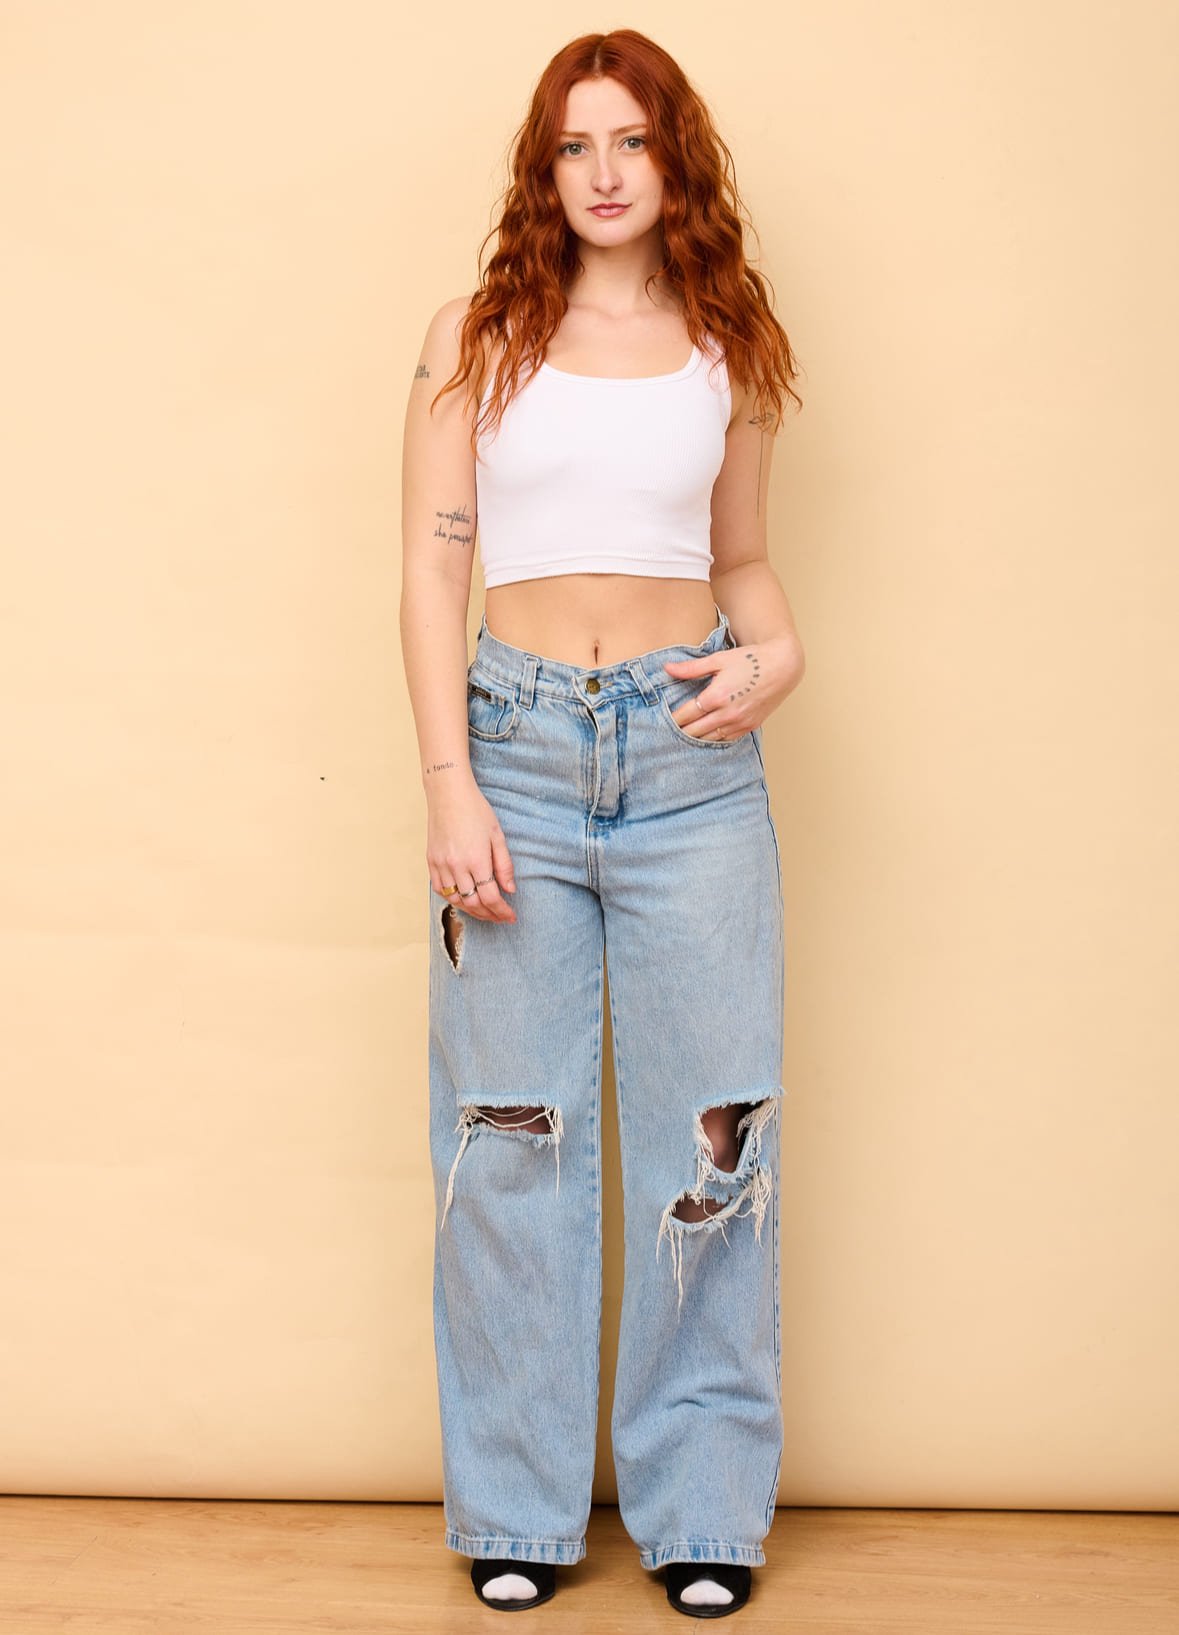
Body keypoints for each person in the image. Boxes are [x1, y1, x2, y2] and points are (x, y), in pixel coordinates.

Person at [400, 27, 804, 1621]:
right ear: (544, 168)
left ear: (672, 155)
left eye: (631, 140)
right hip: (511, 750)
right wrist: (450, 781)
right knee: (510, 1139)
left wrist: (779, 658)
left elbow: (745, 565)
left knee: (717, 1136)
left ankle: (703, 1513)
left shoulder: (728, 338)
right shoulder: (476, 337)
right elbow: (434, 568)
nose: (605, 172)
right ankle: (515, 1508)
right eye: (575, 146)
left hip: (690, 762)